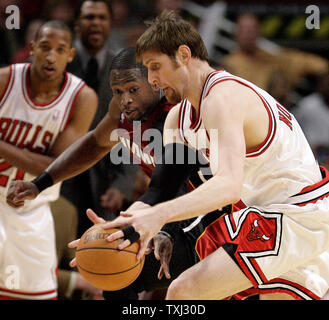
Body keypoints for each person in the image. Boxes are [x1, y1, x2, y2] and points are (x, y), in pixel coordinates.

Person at [96, 11, 329, 300]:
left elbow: (228, 186)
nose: (152, 80)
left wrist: (156, 217)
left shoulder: (223, 96)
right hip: (269, 216)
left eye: (156, 66)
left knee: (184, 293)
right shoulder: (176, 120)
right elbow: (160, 192)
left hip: (298, 213)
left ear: (183, 54)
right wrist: (116, 229)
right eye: (148, 70)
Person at [7, 47, 231, 300]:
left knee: (138, 275)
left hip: (214, 211)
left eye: (133, 89)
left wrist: (162, 228)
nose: (125, 99)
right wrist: (41, 183)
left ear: (155, 83)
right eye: (118, 91)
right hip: (168, 208)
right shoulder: (124, 111)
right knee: (114, 270)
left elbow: (173, 188)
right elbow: (95, 144)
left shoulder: (177, 115)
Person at [0, 20, 97, 299]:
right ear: (32, 49)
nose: (51, 56)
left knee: (38, 294)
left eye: (59, 49)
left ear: (70, 55)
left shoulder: (82, 98)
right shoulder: (5, 80)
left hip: (32, 209)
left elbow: (53, 167)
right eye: (44, 47)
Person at [63, 0, 138, 236]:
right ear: (76, 24)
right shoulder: (57, 64)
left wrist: (122, 185)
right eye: (89, 17)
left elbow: (132, 130)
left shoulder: (124, 70)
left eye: (101, 17)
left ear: (110, 23)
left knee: (95, 256)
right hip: (58, 173)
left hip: (104, 181)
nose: (95, 23)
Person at [222, 13, 328, 91]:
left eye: (251, 30)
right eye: (244, 30)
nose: (248, 35)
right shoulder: (229, 64)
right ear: (236, 34)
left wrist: (324, 67)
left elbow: (302, 61)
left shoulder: (272, 58)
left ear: (258, 33)